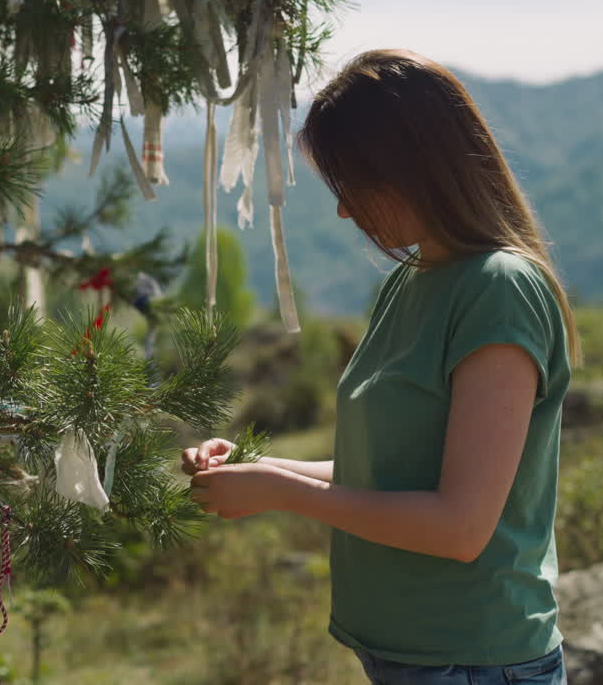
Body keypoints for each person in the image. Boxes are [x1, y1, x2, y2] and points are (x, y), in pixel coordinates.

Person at [183, 49, 580, 685]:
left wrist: (282, 492)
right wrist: (262, 470)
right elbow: (392, 472)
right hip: (412, 657)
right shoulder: (413, 279)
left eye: (353, 186)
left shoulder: (499, 290)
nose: (345, 210)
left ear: (412, 170)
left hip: (474, 662)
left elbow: (460, 526)